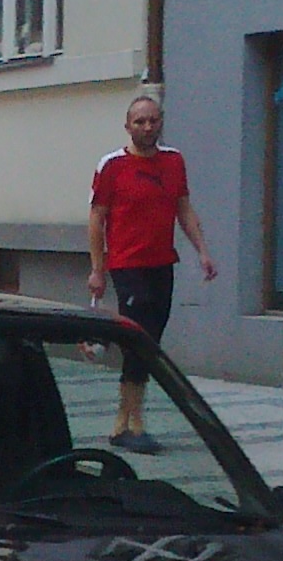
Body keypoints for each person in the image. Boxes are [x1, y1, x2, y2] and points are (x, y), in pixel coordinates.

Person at [87, 93, 218, 452]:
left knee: (149, 342)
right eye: (140, 121)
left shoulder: (174, 161)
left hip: (162, 264)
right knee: (137, 335)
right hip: (127, 264)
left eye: (153, 120)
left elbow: (183, 209)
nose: (147, 127)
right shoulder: (113, 165)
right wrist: (97, 269)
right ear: (127, 126)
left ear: (161, 123)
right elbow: (97, 218)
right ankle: (127, 424)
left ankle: (128, 419)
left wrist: (202, 252)